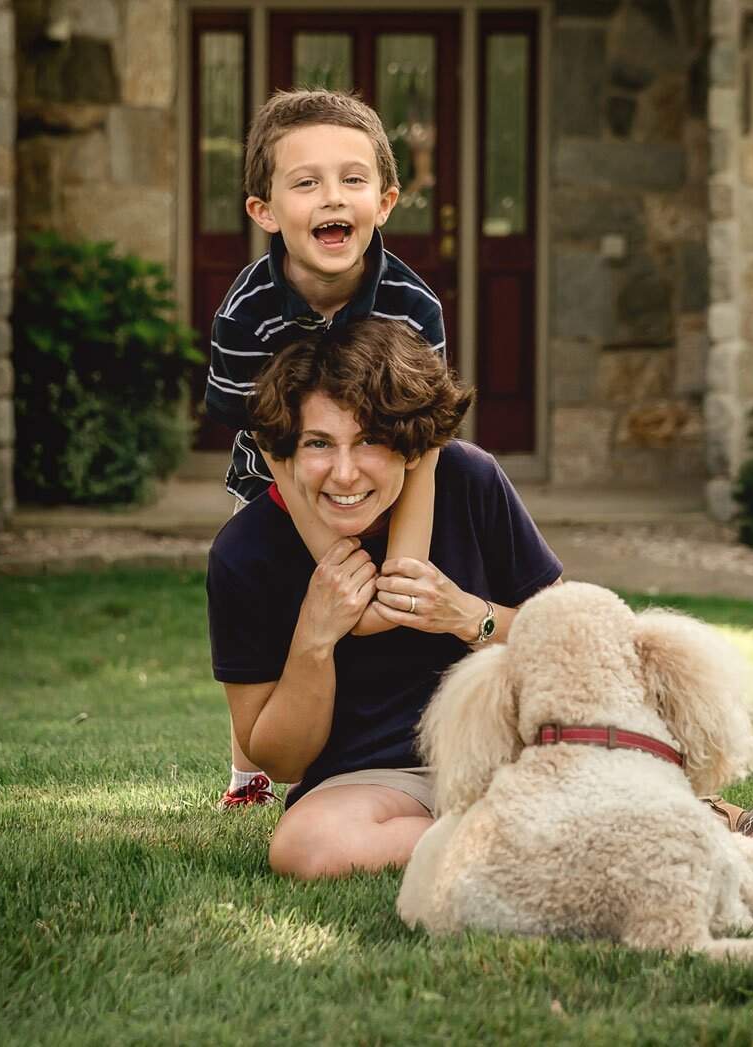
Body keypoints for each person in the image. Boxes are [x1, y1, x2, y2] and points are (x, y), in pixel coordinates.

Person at [205, 319, 564, 879]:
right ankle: (540, 834)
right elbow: (281, 762)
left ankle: (544, 820)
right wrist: (314, 639)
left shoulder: (469, 479)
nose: (344, 474)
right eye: (319, 443)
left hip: (510, 752)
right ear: (288, 451)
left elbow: (570, 642)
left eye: (370, 439)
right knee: (307, 847)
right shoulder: (245, 550)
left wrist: (468, 615)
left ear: (413, 447)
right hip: (374, 784)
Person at [203, 89, 451, 808]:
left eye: (352, 179)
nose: (332, 196)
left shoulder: (414, 308)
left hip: (385, 470)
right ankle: (249, 762)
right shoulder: (245, 315)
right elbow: (267, 440)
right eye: (306, 182)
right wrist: (330, 556)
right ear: (264, 211)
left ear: (386, 201)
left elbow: (427, 436)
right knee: (267, 605)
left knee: (390, 599)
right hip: (277, 475)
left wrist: (402, 569)